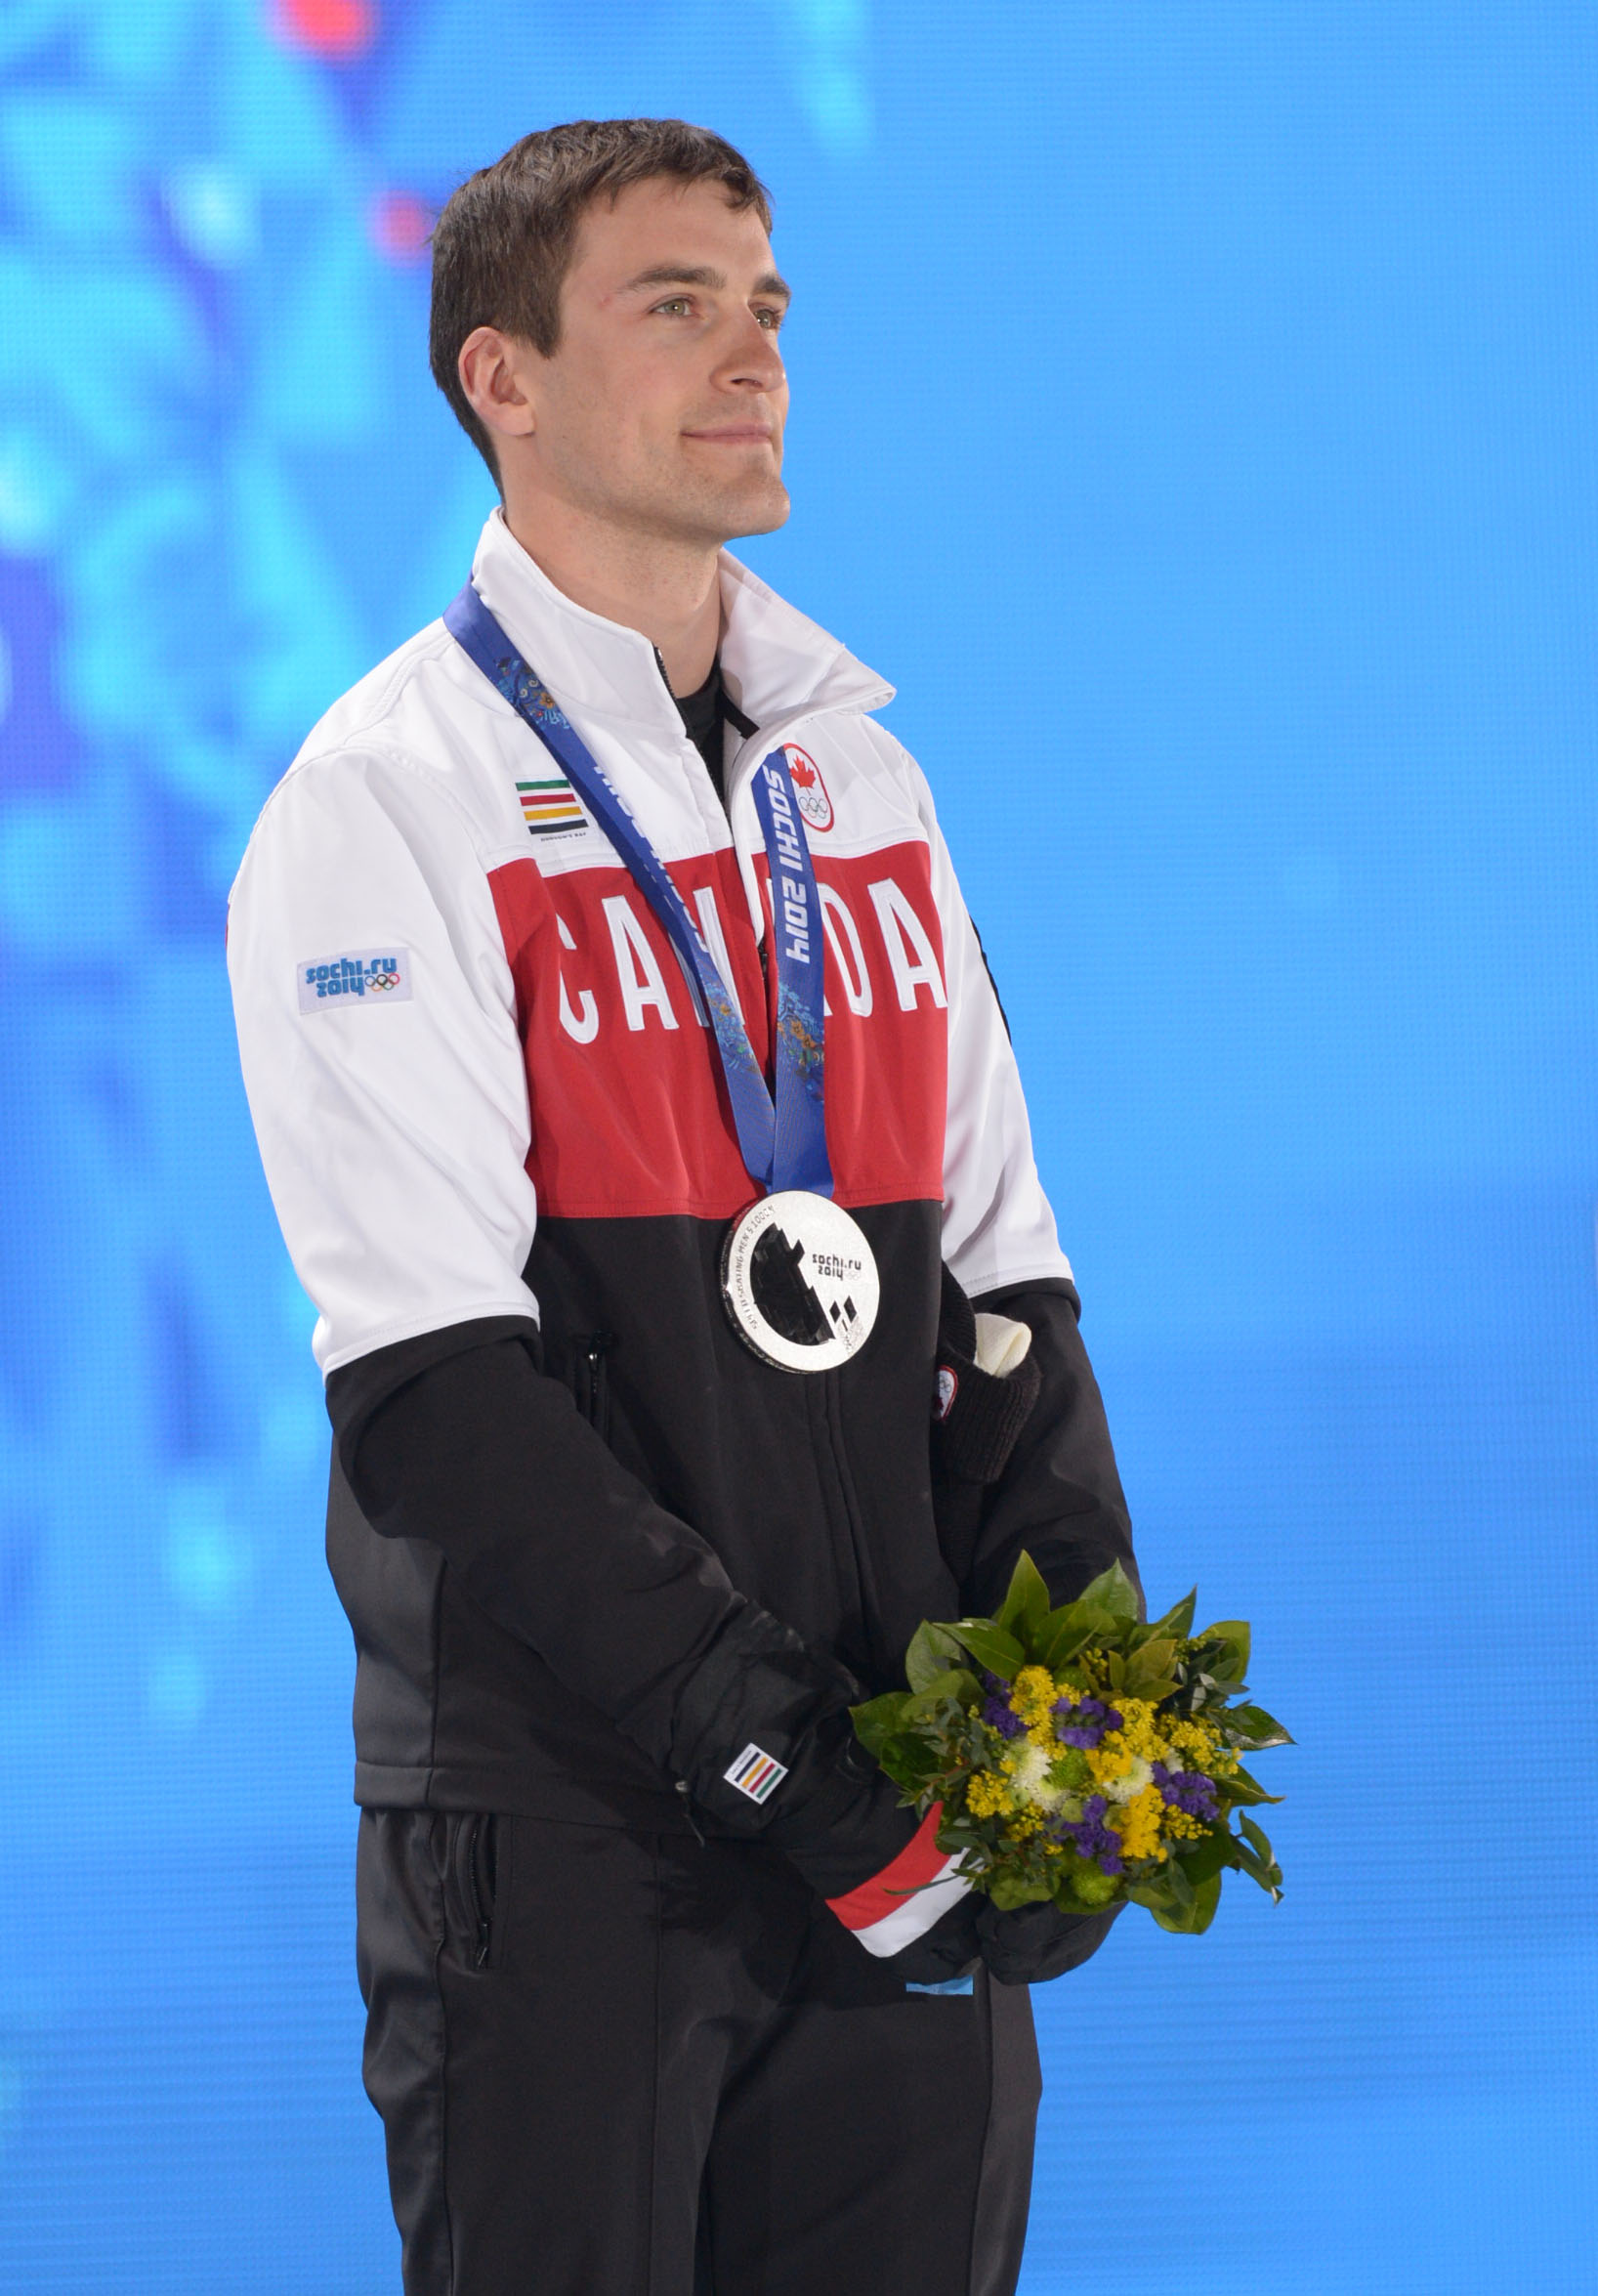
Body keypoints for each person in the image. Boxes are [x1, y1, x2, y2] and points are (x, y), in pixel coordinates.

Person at [228, 116, 1140, 2296]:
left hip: (893, 1811)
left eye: (764, 311)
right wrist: (810, 1780)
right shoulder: (387, 801)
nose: (750, 362)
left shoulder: (859, 776)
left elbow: (1004, 1291)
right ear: (501, 382)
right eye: (673, 306)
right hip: (573, 1841)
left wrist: (1068, 1732)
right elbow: (441, 1407)